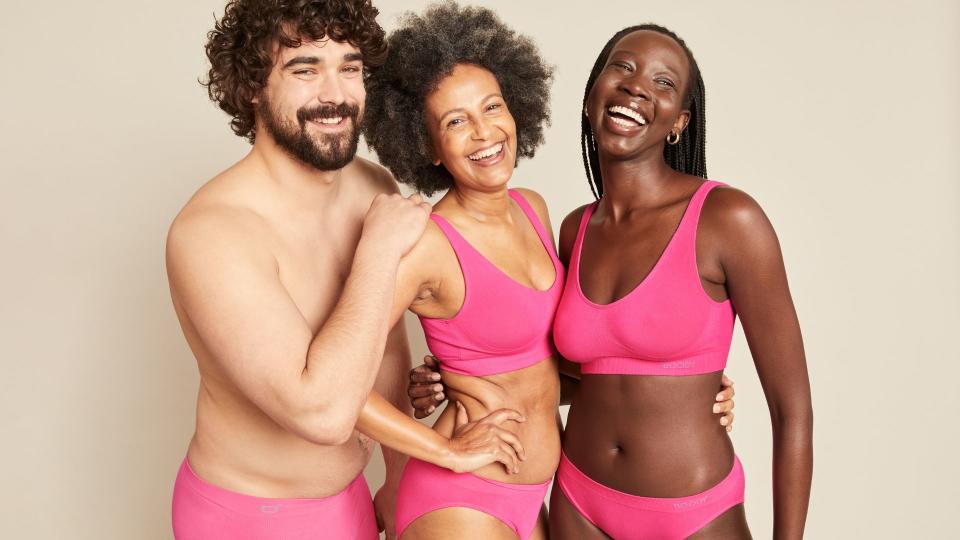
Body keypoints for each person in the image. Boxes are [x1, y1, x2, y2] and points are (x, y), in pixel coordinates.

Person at [364, 5, 736, 539]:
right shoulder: (426, 242)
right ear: (428, 147)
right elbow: (337, 391)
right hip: (461, 501)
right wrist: (441, 448)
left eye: (492, 107)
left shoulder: (534, 210)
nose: (483, 132)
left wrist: (683, 390)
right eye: (455, 121)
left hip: (537, 497)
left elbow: (555, 367)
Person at [166, 1, 523, 538]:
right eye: (305, 69)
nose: (334, 94)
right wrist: (377, 252)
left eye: (349, 68)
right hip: (251, 517)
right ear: (251, 87)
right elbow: (322, 416)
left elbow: (383, 356)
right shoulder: (213, 233)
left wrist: (400, 484)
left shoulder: (372, 186)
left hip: (352, 501)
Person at [547, 25, 814, 539]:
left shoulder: (728, 219)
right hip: (578, 501)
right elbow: (573, 375)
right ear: (591, 95)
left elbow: (792, 407)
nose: (637, 86)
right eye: (622, 67)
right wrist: (466, 377)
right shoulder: (574, 229)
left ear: (679, 123)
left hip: (693, 515)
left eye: (663, 82)